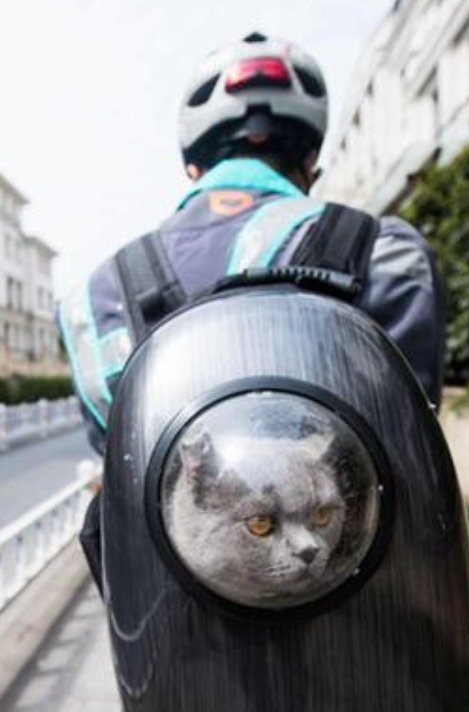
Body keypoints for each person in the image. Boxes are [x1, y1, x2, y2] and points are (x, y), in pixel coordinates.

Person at [58, 31, 445, 589]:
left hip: (173, 620)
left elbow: (122, 457)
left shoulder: (97, 296)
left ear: (193, 170)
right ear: (312, 161)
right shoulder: (385, 252)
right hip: (371, 609)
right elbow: (412, 438)